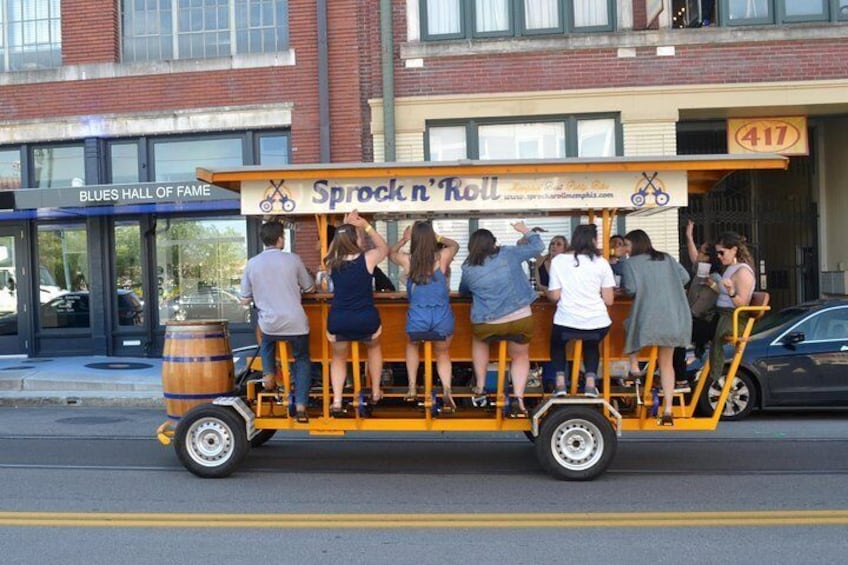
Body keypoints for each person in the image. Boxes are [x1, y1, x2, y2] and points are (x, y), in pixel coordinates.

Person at [459, 221, 544, 417]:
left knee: (479, 338)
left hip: (488, 323)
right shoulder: (508, 253)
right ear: (494, 243)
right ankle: (518, 398)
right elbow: (538, 247)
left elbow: (464, 290)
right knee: (520, 355)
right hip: (520, 318)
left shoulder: (468, 267)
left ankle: (480, 385)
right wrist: (525, 230)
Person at [240, 221, 315, 423]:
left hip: (270, 324)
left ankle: (268, 375)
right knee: (302, 359)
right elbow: (309, 288)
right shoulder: (294, 260)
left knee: (266, 341)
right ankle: (300, 406)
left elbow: (244, 297)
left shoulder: (252, 263)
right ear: (280, 238)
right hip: (296, 323)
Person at [620, 229, 691, 425]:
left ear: (635, 244)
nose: (625, 249)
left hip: (647, 318)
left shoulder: (630, 264)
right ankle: (668, 408)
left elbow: (631, 290)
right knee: (666, 363)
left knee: (629, 325)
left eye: (627, 244)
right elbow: (685, 277)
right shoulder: (666, 258)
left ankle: (634, 366)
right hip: (672, 316)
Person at [324, 210, 390, 415]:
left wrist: (342, 229)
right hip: (365, 320)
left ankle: (336, 401)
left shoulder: (330, 262)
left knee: (338, 358)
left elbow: (331, 250)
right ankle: (377, 390)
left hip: (339, 320)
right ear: (356, 239)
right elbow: (384, 248)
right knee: (374, 347)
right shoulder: (367, 259)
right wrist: (365, 225)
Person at [389, 221, 460, 411]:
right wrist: (438, 237)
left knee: (412, 344)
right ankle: (446, 389)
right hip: (442, 317)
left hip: (418, 318)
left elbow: (390, 254)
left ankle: (412, 386)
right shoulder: (443, 257)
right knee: (442, 353)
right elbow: (455, 245)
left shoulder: (408, 260)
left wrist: (403, 240)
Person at [546, 224, 615, 397]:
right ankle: (591, 384)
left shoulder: (559, 261)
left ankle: (560, 383)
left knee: (557, 344)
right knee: (591, 344)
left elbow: (554, 296)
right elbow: (609, 300)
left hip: (566, 322)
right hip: (597, 323)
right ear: (593, 240)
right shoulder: (602, 263)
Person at [672, 221, 723, 383]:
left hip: (703, 323)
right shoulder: (702, 272)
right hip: (692, 318)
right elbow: (694, 257)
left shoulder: (713, 279)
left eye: (702, 253)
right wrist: (689, 237)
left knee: (676, 336)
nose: (698, 255)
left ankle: (680, 378)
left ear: (708, 258)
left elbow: (697, 310)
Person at [709, 231, 756, 383]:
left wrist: (731, 291)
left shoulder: (743, 272)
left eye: (721, 252)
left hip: (732, 317)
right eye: (717, 253)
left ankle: (710, 373)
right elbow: (723, 294)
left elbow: (741, 303)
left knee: (696, 330)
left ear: (734, 250)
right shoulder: (730, 268)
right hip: (722, 313)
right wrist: (712, 285)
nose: (719, 256)